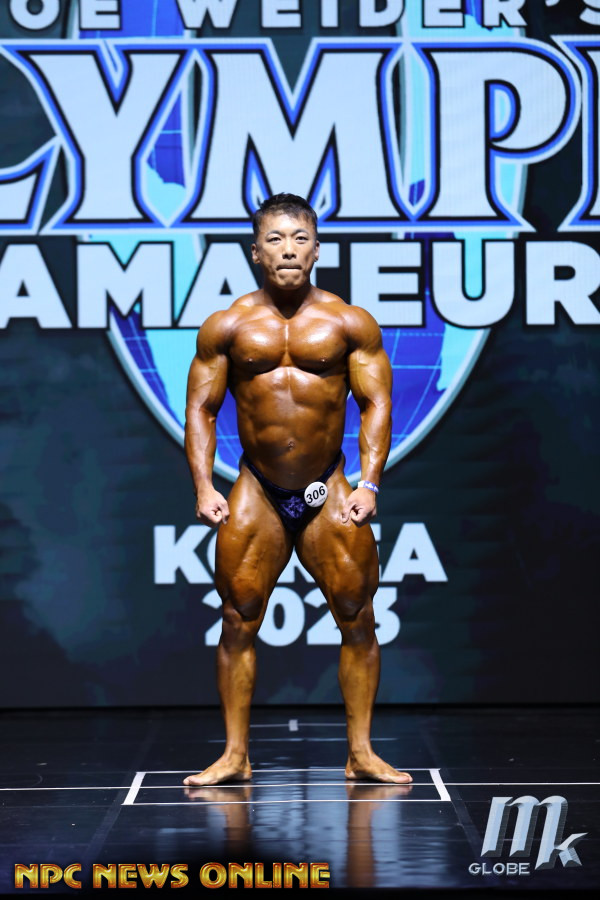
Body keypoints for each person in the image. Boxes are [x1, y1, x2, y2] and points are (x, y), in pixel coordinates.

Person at [183, 193, 412, 786]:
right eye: (276, 239)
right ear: (256, 252)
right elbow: (202, 409)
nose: (288, 249)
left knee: (357, 615)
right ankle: (235, 755)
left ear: (316, 250)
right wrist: (204, 485)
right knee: (238, 617)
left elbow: (377, 403)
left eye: (300, 238)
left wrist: (370, 483)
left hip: (326, 485)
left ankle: (361, 753)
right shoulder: (227, 326)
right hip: (257, 489)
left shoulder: (348, 322)